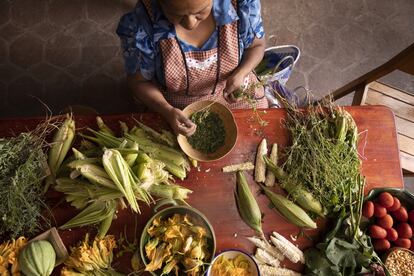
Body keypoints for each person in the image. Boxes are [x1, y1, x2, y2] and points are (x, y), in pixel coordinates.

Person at [117, 0, 268, 136]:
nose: (190, 23)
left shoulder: (240, 5)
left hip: (234, 92)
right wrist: (167, 110)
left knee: (256, 130)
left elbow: (257, 46)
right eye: (176, 14)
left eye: (200, 11)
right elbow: (139, 82)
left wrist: (241, 73)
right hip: (176, 104)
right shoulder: (142, 24)